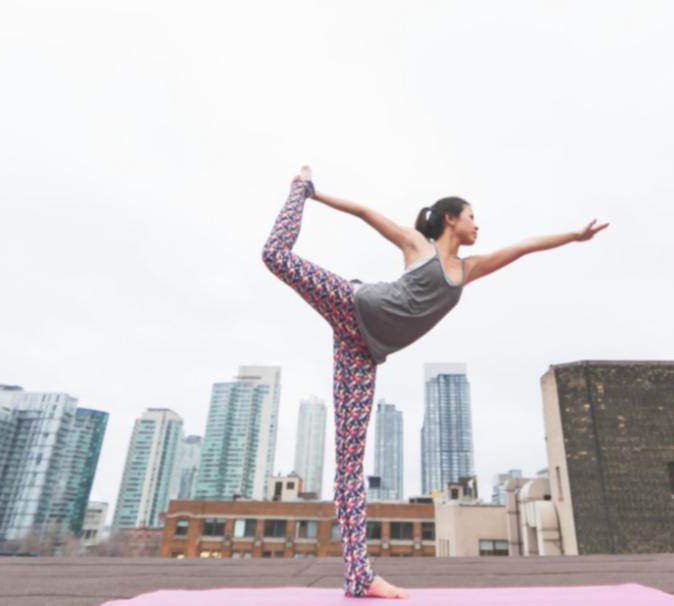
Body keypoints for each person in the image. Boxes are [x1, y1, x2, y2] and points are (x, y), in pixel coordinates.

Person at [260, 165, 608, 599]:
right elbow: (367, 213)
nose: (477, 224)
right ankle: (296, 188)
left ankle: (360, 577)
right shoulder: (417, 246)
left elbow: (522, 248)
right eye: (472, 216)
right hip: (353, 303)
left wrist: (572, 237)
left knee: (349, 462)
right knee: (274, 256)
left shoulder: (468, 270)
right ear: (451, 218)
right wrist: (313, 194)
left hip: (363, 351)